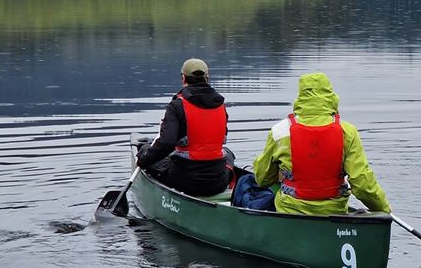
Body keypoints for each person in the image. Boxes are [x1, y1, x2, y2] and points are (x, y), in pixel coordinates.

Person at [249, 72, 390, 215]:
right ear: (330, 95)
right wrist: (384, 210)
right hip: (335, 212)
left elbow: (262, 179)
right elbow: (363, 185)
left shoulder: (280, 131)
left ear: (300, 96)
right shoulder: (348, 131)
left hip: (290, 211)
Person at [137, 58, 232, 196]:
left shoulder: (177, 105)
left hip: (185, 182)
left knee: (144, 150)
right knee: (228, 153)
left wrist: (142, 161)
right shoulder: (221, 106)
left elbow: (167, 143)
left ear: (183, 78)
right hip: (217, 182)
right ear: (207, 78)